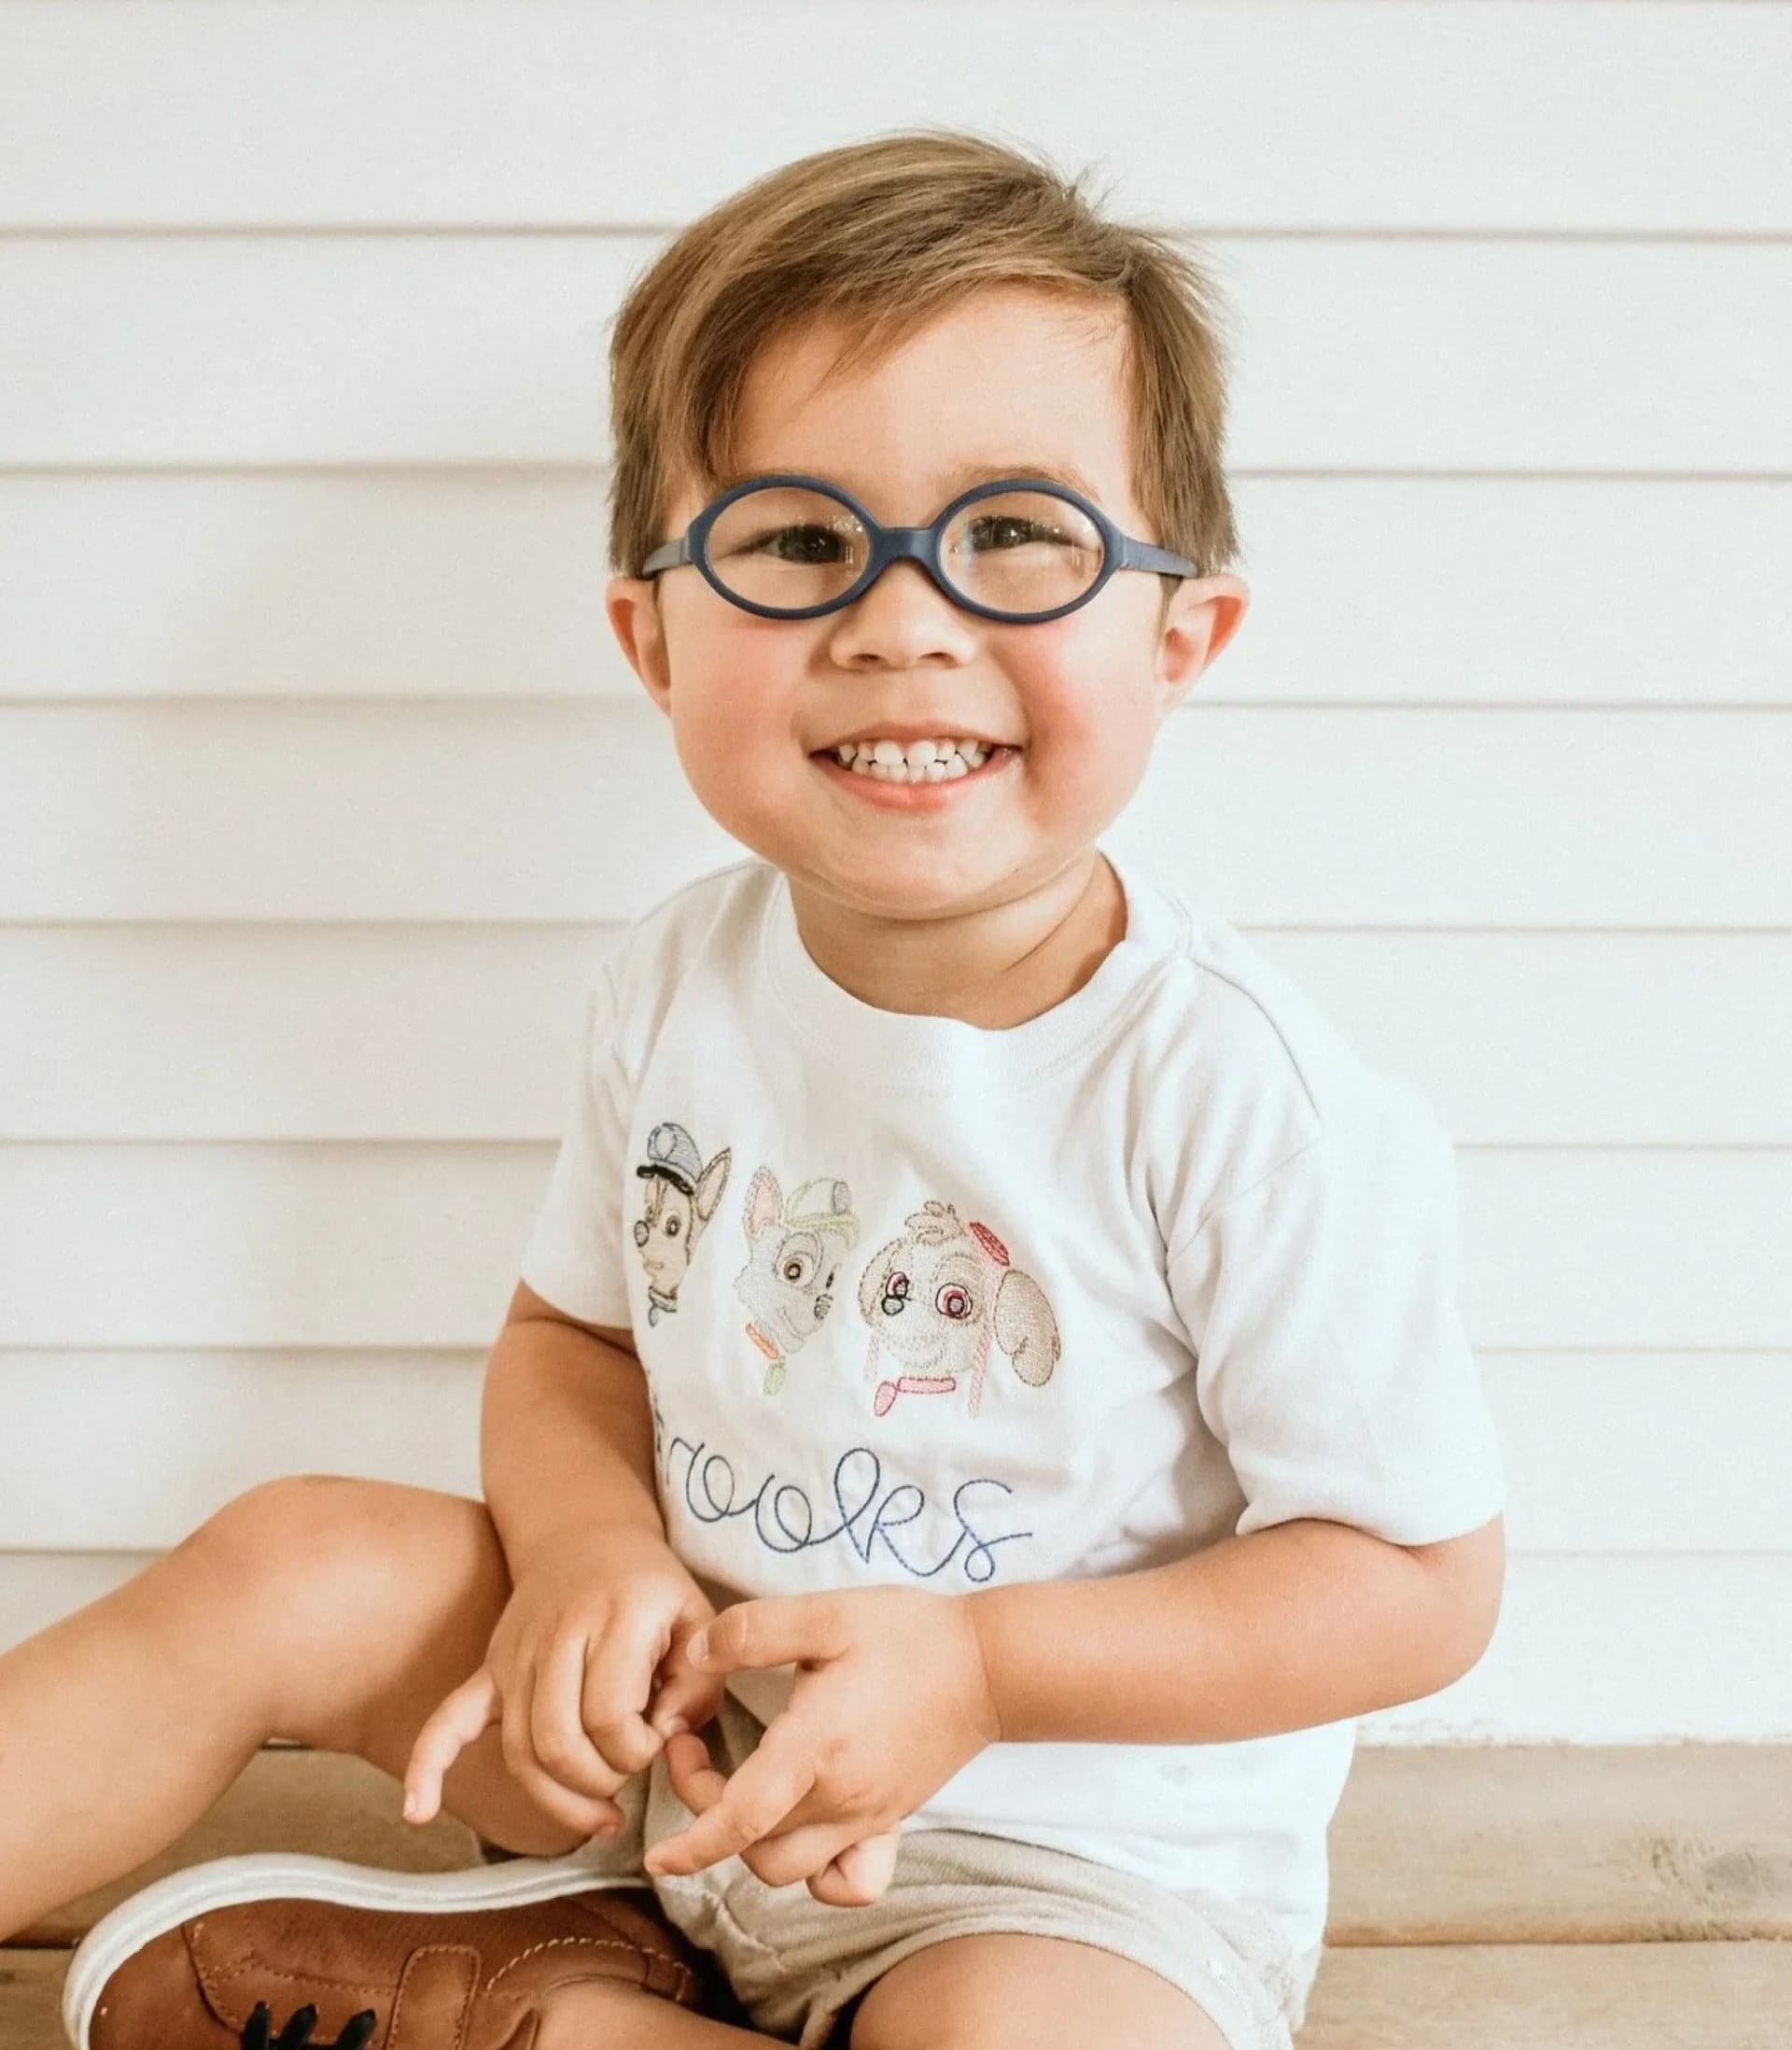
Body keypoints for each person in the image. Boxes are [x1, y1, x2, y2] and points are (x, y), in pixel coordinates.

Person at [9, 129, 1506, 2050]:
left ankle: (560, 2017)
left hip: (1054, 1873)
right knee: (297, 1556)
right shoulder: (679, 975)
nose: (901, 617)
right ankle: (593, 1950)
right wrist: (591, 1559)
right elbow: (572, 1343)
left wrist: (977, 1665)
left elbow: (1411, 1582)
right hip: (672, 1743)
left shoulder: (1240, 1094)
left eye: (1017, 536)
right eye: (800, 540)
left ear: (1178, 634)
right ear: (651, 637)